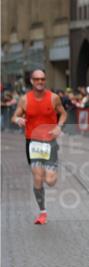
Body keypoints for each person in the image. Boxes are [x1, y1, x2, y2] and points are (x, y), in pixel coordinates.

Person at [11, 69, 69, 225]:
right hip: (33, 143)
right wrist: (18, 120)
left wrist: (59, 127)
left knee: (49, 181)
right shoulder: (25, 100)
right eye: (37, 79)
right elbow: (14, 115)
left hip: (49, 142)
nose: (40, 82)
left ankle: (51, 172)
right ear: (31, 81)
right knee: (37, 178)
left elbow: (63, 114)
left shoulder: (53, 98)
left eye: (42, 79)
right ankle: (42, 212)